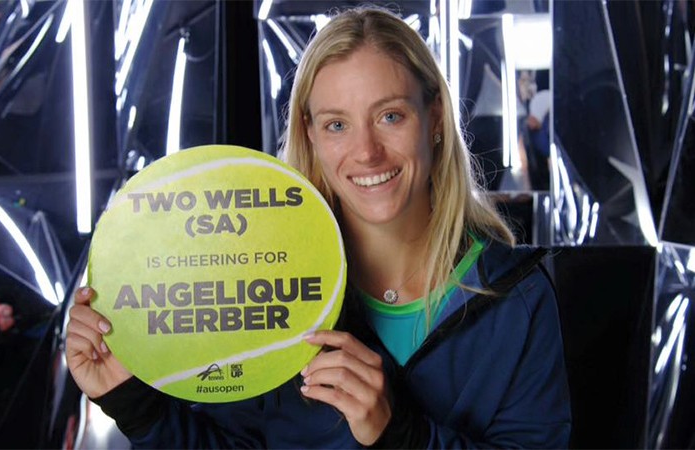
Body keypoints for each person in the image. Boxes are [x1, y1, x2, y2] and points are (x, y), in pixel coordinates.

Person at [65, 6, 571, 448]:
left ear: (435, 116)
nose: (366, 152)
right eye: (337, 125)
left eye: (390, 116)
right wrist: (132, 402)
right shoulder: (265, 287)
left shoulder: (517, 298)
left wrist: (400, 435)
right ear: (310, 134)